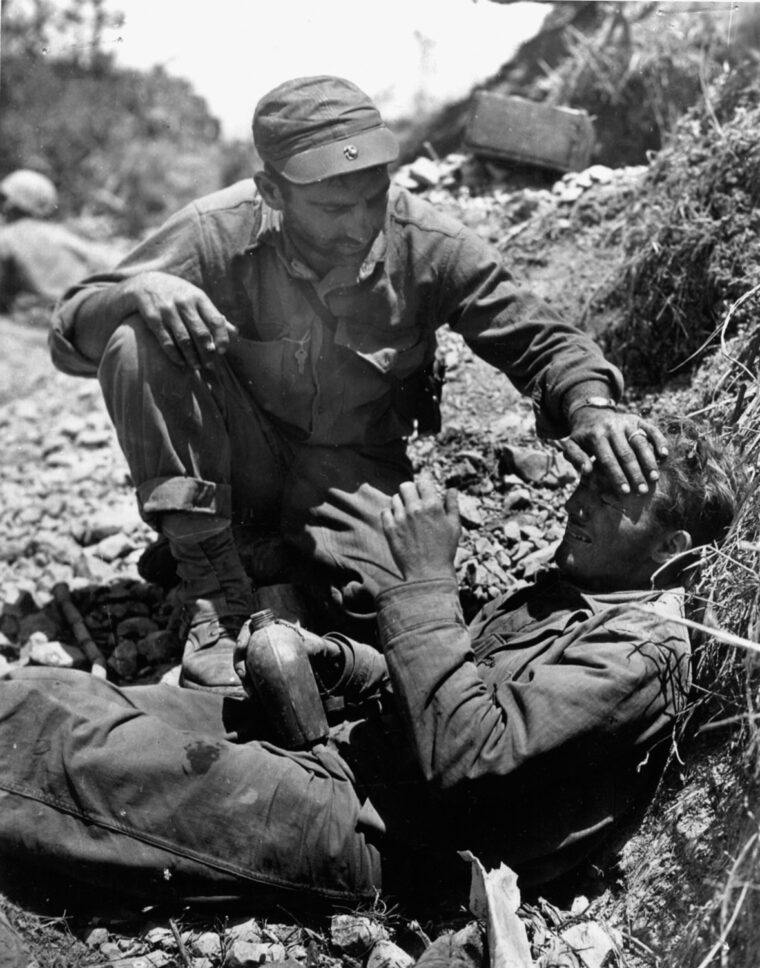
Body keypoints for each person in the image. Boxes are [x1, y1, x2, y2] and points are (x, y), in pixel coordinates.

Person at [49, 75, 670, 696]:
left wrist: (591, 406)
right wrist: (138, 290)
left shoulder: (428, 242)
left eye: (373, 197)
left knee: (381, 608)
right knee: (137, 337)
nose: (361, 225)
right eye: (332, 208)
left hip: (351, 465)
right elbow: (70, 332)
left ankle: (249, 551)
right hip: (242, 454)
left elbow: (540, 338)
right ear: (273, 192)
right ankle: (218, 601)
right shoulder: (217, 228)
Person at [0, 416, 738, 908]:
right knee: (51, 693)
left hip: (388, 836)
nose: (580, 500)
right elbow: (438, 690)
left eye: (612, 497)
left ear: (671, 552)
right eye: (588, 481)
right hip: (355, 758)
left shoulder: (641, 651)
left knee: (66, 748)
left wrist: (420, 581)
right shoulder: (573, 591)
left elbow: (467, 756)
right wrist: (340, 664)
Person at [0, 169, 112, 315]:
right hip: (72, 321)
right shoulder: (66, 236)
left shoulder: (8, 237)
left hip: (23, 323)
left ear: (11, 203)